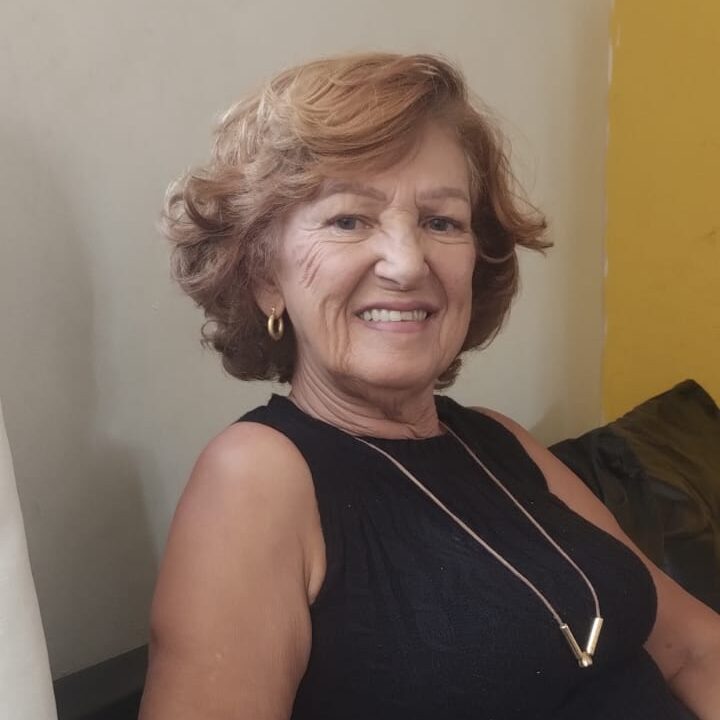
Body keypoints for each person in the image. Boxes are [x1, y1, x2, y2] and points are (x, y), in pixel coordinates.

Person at [138, 53, 720, 719]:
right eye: (349, 220)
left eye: (441, 222)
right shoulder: (255, 477)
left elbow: (694, 649)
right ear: (266, 276)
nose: (408, 263)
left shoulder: (497, 440)